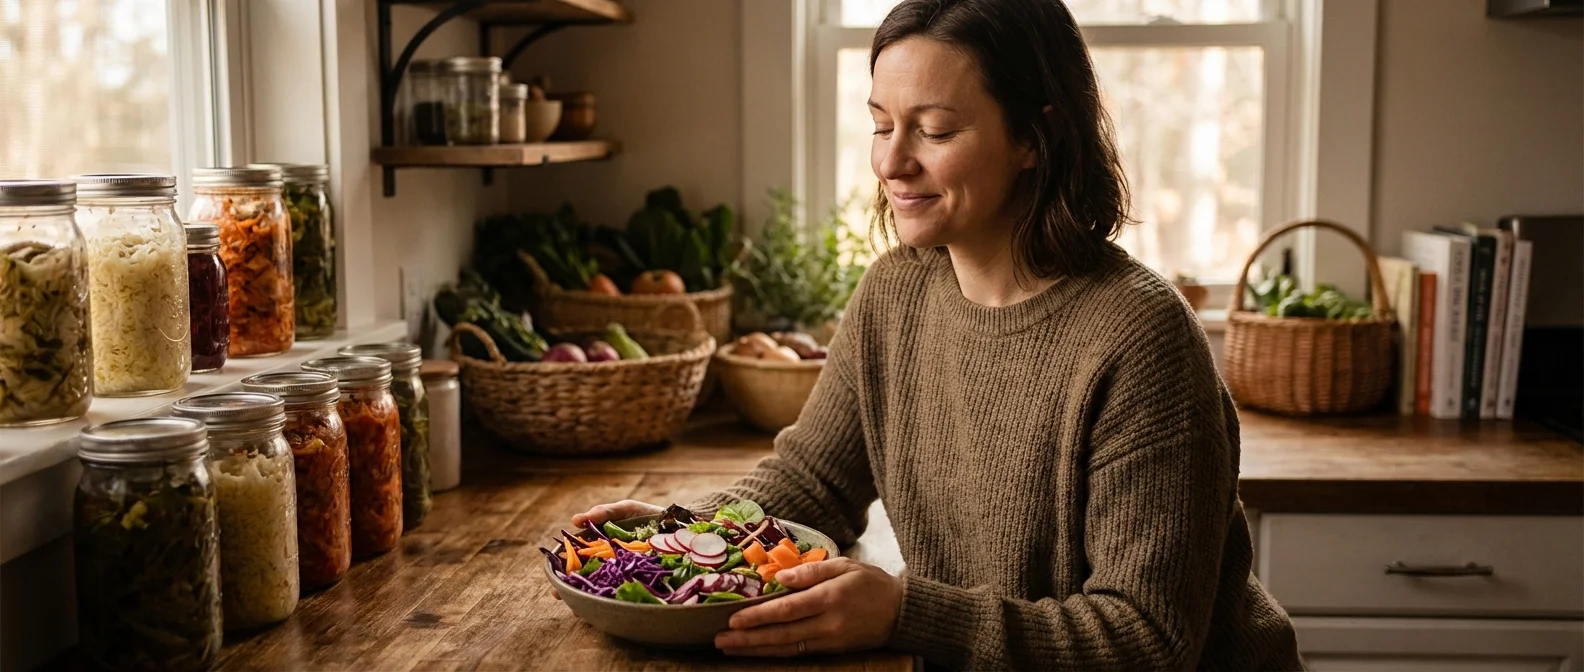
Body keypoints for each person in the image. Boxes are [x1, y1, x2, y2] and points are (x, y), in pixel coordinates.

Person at [572, 0, 1303, 668]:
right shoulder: (897, 291)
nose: (892, 163)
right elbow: (812, 484)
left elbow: (1145, 637)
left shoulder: (1139, 336)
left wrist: (906, 613)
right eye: (882, 125)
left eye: (936, 130)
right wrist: (679, 537)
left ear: (1035, 137)